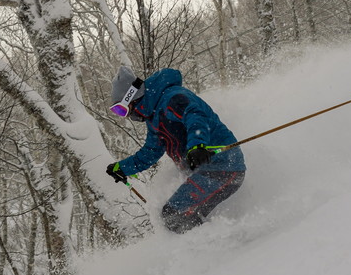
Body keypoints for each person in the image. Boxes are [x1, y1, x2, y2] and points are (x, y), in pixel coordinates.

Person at [105, 67, 246, 234]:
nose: (126, 116)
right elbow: (150, 152)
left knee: (174, 215)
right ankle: (219, 246)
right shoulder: (154, 118)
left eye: (122, 110)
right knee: (177, 215)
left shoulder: (172, 98)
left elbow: (195, 116)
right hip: (207, 171)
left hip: (222, 165)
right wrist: (122, 168)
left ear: (132, 97)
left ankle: (219, 252)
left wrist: (197, 145)